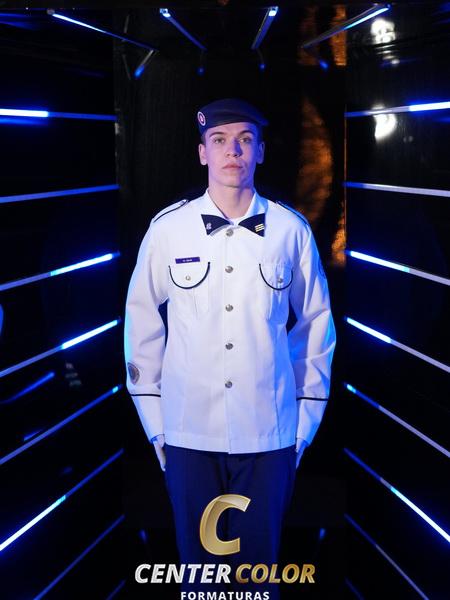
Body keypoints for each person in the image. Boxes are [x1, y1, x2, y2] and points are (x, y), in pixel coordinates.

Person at [124, 98, 336, 598]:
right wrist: (156, 424)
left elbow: (316, 325)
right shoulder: (168, 230)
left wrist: (303, 424)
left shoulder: (290, 230)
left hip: (270, 434)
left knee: (256, 576)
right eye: (219, 141)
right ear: (203, 153)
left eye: (244, 140)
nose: (232, 152)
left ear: (260, 151)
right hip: (188, 433)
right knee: (201, 576)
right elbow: (141, 322)